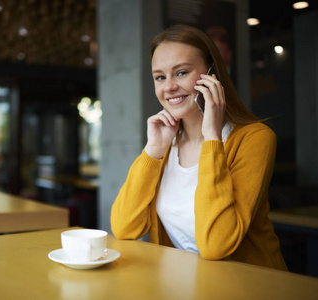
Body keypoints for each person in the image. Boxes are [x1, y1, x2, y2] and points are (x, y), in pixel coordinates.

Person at [110, 24, 287, 271]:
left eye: (181, 72)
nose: (168, 86)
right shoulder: (165, 145)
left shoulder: (255, 139)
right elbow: (124, 227)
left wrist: (212, 138)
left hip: (249, 288)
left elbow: (216, 245)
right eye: (160, 77)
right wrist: (152, 151)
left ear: (212, 75)